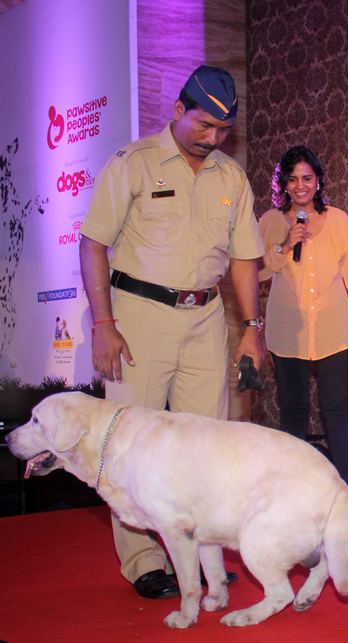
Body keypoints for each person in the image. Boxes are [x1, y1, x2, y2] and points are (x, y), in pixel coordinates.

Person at [79, 65, 264, 598]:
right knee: (129, 442)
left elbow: (245, 259)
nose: (213, 138)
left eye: (223, 130)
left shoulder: (231, 176)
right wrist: (104, 323)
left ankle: (204, 558)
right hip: (138, 317)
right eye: (204, 125)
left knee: (206, 445)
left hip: (207, 319)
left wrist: (250, 328)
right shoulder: (133, 163)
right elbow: (93, 243)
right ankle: (143, 560)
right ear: (179, 111)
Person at [258, 145, 348, 485]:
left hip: (332, 329)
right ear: (283, 184)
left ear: (318, 181)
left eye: (307, 178)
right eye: (293, 179)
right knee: (293, 411)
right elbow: (256, 273)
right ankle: (293, 493)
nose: (300, 186)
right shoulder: (270, 221)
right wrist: (283, 245)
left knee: (335, 409)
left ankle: (341, 491)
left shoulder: (338, 220)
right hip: (288, 331)